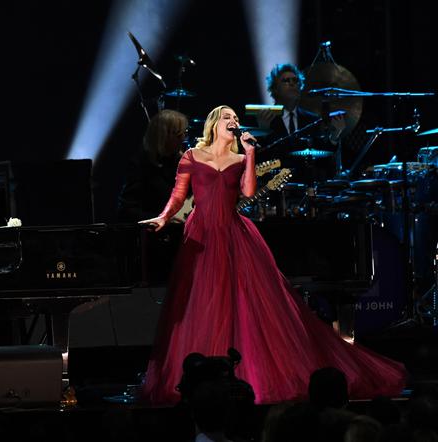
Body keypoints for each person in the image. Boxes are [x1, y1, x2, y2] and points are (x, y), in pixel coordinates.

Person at [138, 105, 406, 405]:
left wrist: (250, 154)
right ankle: (201, 382)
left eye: (236, 119)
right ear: (214, 124)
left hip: (233, 235)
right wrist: (163, 218)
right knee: (203, 303)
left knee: (243, 304)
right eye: (227, 118)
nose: (233, 122)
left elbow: (249, 192)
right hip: (201, 235)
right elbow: (178, 194)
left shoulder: (240, 158)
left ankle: (245, 377)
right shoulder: (191, 157)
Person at [117, 109, 189, 222]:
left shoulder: (182, 162)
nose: (184, 139)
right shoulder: (141, 164)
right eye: (179, 134)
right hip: (154, 233)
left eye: (185, 133)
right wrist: (161, 219)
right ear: (165, 135)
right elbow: (127, 211)